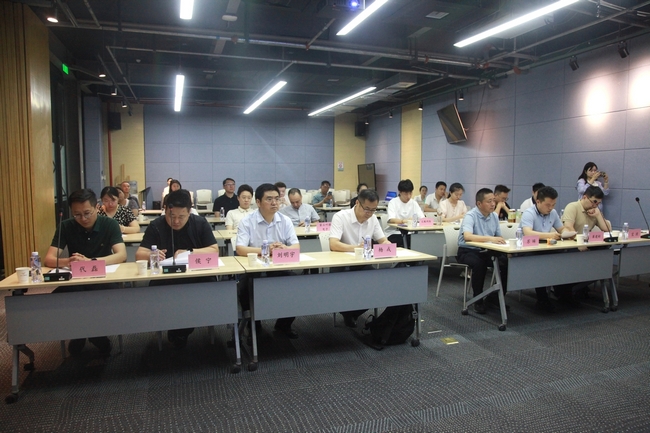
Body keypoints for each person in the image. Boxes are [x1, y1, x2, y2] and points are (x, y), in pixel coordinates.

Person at [44, 188, 127, 356]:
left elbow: (121, 255)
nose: (83, 218)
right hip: (76, 280)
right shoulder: (66, 226)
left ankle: (88, 334)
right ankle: (88, 334)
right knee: (60, 298)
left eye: (87, 213)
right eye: (77, 214)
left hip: (103, 279)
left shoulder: (109, 224)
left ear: (97, 207)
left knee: (106, 296)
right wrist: (69, 261)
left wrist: (92, 262)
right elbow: (49, 259)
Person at [135, 189, 220, 349]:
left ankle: (181, 330)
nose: (176, 221)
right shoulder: (156, 225)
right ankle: (179, 329)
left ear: (189, 212)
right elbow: (139, 254)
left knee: (206, 291)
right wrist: (152, 254)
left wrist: (190, 253)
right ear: (165, 210)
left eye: (181, 217)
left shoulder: (199, 223)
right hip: (167, 279)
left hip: (196, 277)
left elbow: (214, 250)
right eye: (171, 216)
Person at [236, 183, 300, 338]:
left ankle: (283, 325)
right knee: (246, 288)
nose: (274, 203)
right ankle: (254, 327)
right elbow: (240, 249)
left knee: (297, 284)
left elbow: (296, 246)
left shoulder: (285, 220)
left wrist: (284, 248)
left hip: (279, 268)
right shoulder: (247, 221)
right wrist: (265, 250)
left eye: (277, 199)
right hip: (253, 270)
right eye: (269, 199)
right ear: (258, 202)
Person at [329, 188, 391, 327]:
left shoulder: (373, 218)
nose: (369, 213)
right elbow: (333, 244)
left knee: (379, 285)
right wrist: (356, 247)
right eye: (367, 209)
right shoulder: (340, 216)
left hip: (362, 263)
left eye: (373, 210)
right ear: (357, 203)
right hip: (342, 265)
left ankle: (351, 313)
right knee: (351, 286)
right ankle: (348, 311)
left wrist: (388, 246)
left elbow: (383, 240)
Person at [456, 188, 508, 315]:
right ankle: (477, 299)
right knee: (480, 264)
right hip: (468, 250)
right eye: (489, 201)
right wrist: (490, 238)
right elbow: (467, 236)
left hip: (487, 250)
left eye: (494, 201)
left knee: (506, 262)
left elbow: (498, 237)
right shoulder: (471, 215)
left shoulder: (494, 216)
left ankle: (495, 297)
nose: (493, 204)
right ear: (479, 203)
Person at [520, 186, 571, 311]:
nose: (551, 208)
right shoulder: (529, 213)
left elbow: (561, 228)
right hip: (528, 250)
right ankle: (542, 300)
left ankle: (564, 294)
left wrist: (567, 233)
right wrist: (550, 235)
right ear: (538, 202)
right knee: (541, 262)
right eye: (548, 205)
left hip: (545, 248)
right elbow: (528, 233)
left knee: (565, 257)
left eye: (553, 205)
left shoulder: (553, 213)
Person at [385, 179, 424, 247]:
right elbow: (391, 219)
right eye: (406, 194)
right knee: (408, 241)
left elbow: (422, 218)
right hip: (394, 233)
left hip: (410, 233)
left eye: (410, 193)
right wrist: (404, 221)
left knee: (420, 240)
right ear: (400, 192)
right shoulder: (393, 202)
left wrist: (415, 220)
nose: (408, 196)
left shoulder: (414, 203)